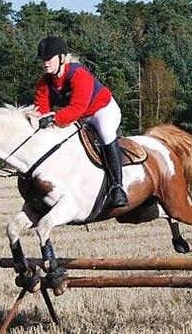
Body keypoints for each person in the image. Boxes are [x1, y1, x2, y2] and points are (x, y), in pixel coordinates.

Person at [33, 36, 128, 208]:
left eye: (49, 58)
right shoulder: (44, 82)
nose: (45, 63)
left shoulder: (78, 74)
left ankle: (117, 187)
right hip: (79, 116)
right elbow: (40, 110)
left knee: (106, 134)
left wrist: (54, 118)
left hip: (102, 110)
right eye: (43, 59)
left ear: (62, 58)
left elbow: (77, 108)